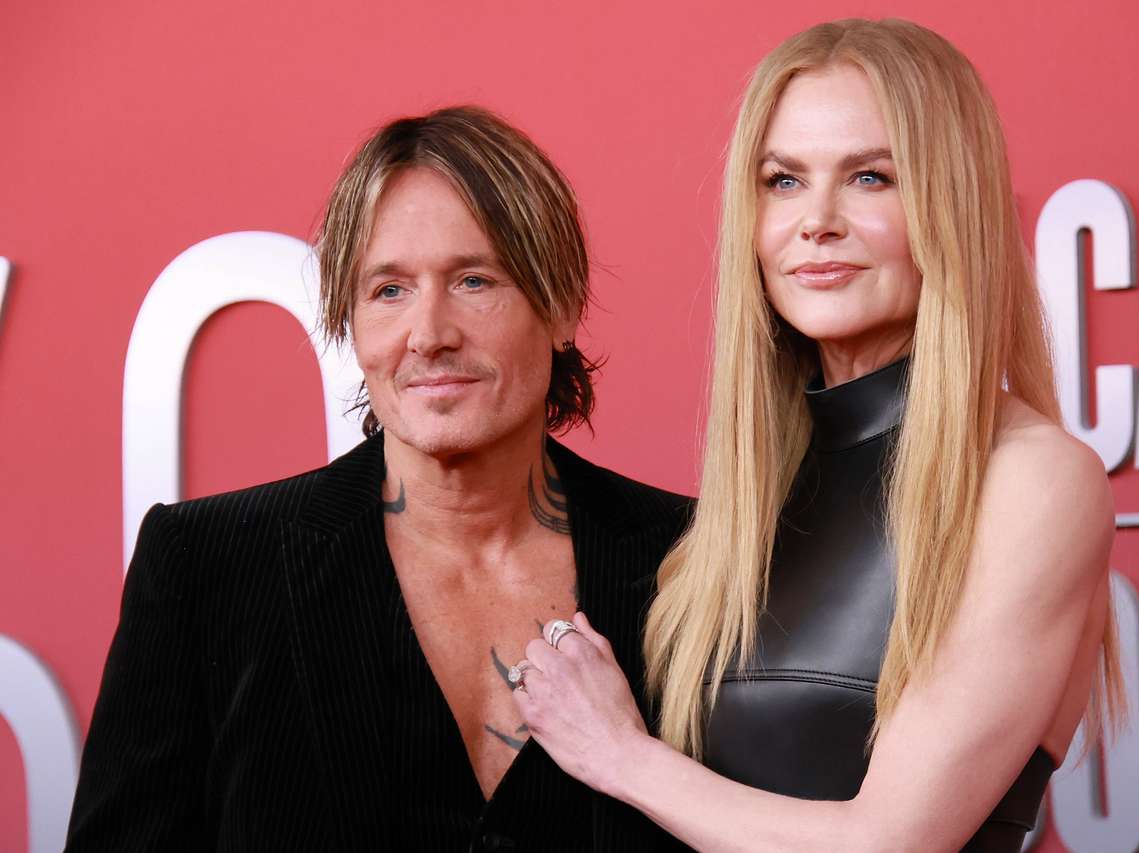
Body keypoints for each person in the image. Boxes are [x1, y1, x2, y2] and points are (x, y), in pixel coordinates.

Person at [508, 18, 1123, 853]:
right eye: (784, 180)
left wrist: (621, 753)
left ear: (953, 204)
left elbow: (890, 842)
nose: (817, 220)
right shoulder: (746, 503)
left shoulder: (1032, 479)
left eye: (870, 177)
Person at [65, 106, 691, 852]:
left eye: (474, 280)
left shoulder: (697, 559)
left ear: (560, 305)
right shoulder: (206, 566)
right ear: (352, 322)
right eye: (389, 290)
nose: (428, 335)